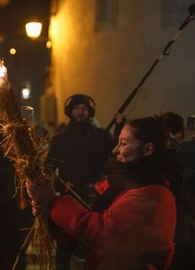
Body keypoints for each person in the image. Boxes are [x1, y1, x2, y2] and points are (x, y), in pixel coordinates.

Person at [27, 115, 195, 269]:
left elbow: (103, 233)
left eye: (123, 143)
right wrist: (49, 213)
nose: (115, 150)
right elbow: (87, 244)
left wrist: (55, 203)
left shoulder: (153, 195)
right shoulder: (129, 186)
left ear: (147, 149)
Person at [46, 94, 118, 269]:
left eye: (84, 108)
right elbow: (48, 167)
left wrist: (120, 127)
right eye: (77, 108)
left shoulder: (102, 136)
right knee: (65, 244)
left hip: (97, 198)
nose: (80, 112)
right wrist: (58, 185)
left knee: (93, 245)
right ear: (70, 111)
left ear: (90, 111)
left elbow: (116, 156)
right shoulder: (60, 140)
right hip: (69, 197)